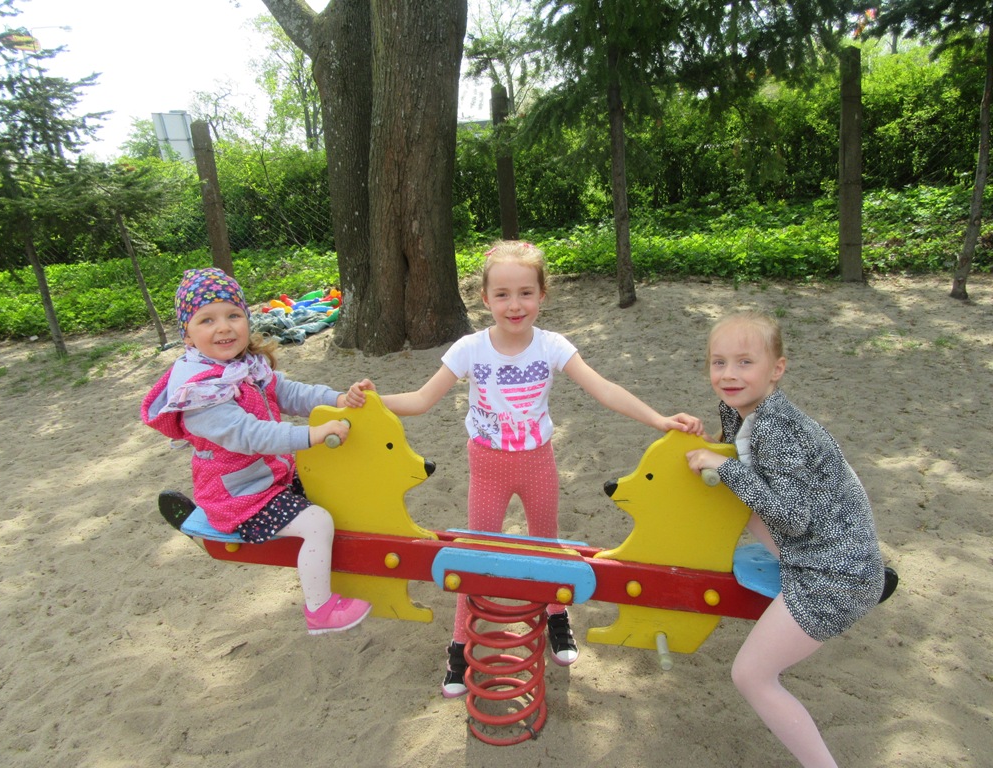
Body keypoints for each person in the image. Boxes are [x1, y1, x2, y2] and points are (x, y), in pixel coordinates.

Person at [375, 241, 704, 698]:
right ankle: (461, 642)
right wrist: (369, 401)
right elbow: (420, 400)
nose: (515, 305)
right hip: (487, 465)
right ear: (485, 299)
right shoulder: (470, 349)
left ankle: (556, 615)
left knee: (546, 545)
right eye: (503, 294)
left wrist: (660, 419)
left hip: (537, 462)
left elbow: (604, 389)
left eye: (526, 293)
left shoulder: (551, 346)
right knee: (475, 553)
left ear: (542, 295)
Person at [685, 310, 891, 768]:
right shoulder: (742, 410)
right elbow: (738, 459)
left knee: (751, 674)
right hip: (826, 548)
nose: (729, 374)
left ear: (776, 369)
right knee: (733, 495)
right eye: (719, 362)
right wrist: (706, 445)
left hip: (834, 574)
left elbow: (793, 517)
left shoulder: (776, 428)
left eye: (745, 362)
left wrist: (725, 467)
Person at [141, 267, 372, 635]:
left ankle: (347, 569)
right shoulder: (200, 393)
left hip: (272, 476)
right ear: (187, 334)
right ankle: (321, 610)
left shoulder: (243, 367)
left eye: (233, 315)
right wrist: (311, 435)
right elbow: (250, 435)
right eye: (207, 320)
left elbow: (289, 393)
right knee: (317, 522)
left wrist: (338, 399)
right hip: (240, 496)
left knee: (335, 487)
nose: (224, 327)